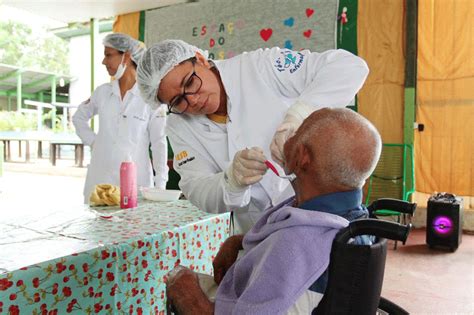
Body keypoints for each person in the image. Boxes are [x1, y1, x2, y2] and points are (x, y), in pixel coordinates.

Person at [165, 107, 382, 314]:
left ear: (302, 157)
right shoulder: (351, 218)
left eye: (297, 132)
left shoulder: (298, 244)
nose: (289, 135)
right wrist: (242, 241)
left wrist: (190, 297)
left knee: (180, 281)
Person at [137, 40, 369, 233]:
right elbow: (196, 188)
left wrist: (299, 118)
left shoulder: (258, 67)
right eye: (178, 101)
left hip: (319, 215)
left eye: (190, 82)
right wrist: (232, 181)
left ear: (200, 59)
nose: (193, 100)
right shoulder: (179, 124)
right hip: (257, 231)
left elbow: (349, 67)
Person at [73, 33, 168, 203]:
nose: (103, 61)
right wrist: (94, 143)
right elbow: (79, 118)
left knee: (133, 228)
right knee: (98, 226)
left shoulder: (150, 99)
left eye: (108, 55)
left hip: (136, 184)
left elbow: (159, 143)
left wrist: (160, 185)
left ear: (127, 56)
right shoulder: (102, 92)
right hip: (101, 181)